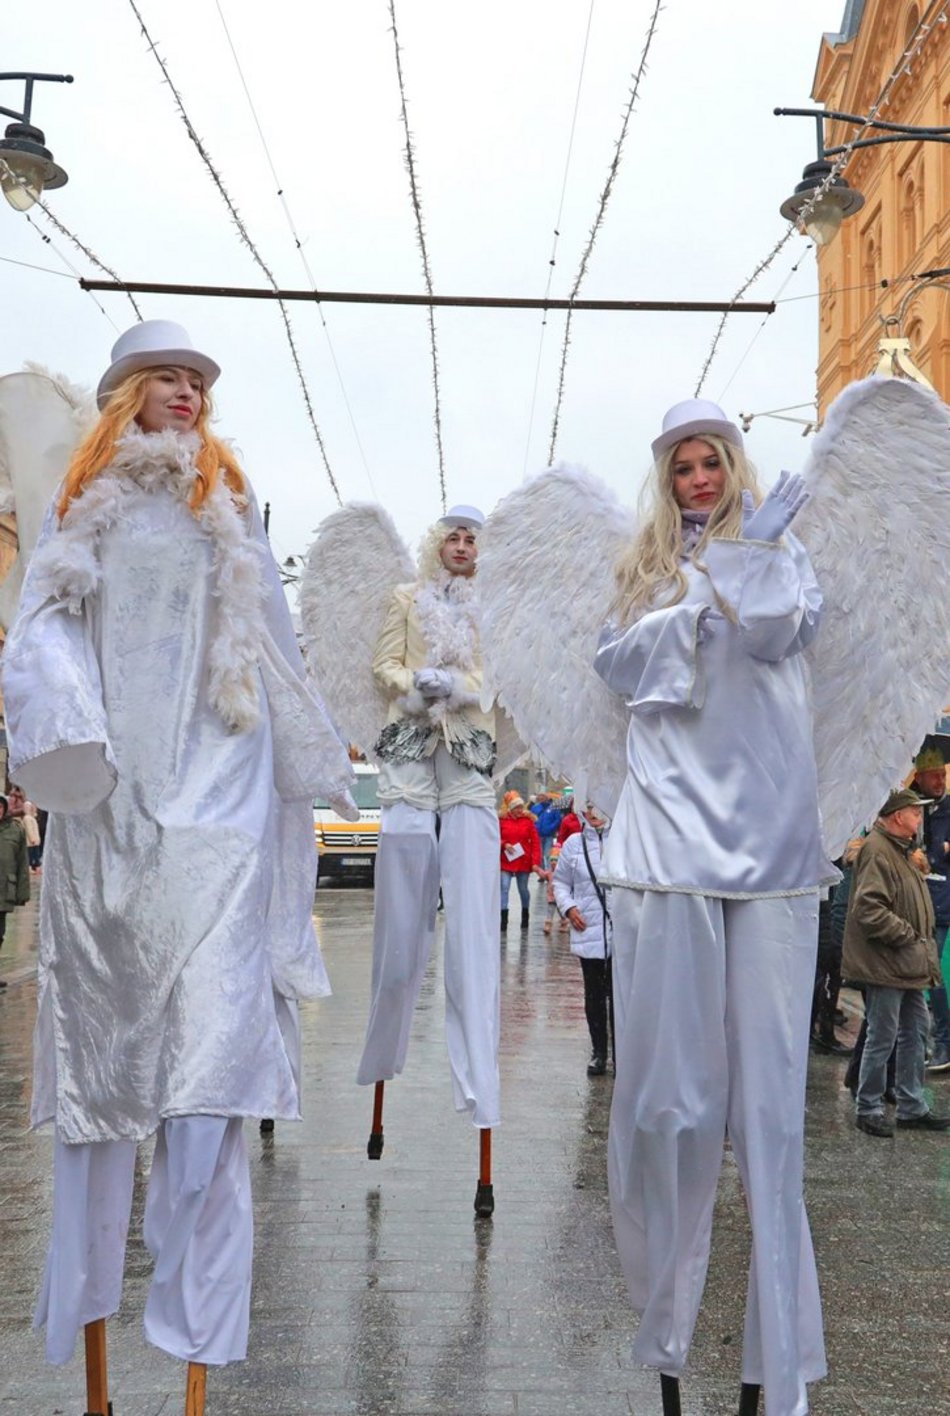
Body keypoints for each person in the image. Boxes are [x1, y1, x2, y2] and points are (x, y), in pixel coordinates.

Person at [1, 320, 355, 1409]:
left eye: (200, 380)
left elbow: (274, 650)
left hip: (226, 816)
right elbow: (41, 627)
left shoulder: (232, 508)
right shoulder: (79, 502)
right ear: (127, 395)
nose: (189, 393)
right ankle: (100, 1363)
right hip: (114, 815)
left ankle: (198, 1359)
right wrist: (70, 741)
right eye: (169, 378)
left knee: (211, 1088)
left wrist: (312, 758)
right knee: (103, 1087)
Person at [593, 399, 835, 1416]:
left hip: (772, 847)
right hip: (667, 848)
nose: (698, 479)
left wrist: (753, 560)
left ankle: (773, 1370)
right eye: (682, 466)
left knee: (771, 1118)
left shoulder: (784, 555)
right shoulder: (641, 574)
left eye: (711, 462)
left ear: (735, 466)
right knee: (670, 1106)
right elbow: (624, 671)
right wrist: (700, 586)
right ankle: (664, 1347)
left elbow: (782, 636)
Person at [355, 504, 502, 1213]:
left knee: (473, 917)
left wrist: (465, 687)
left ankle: (480, 1091)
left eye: (473, 537)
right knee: (402, 902)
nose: (463, 545)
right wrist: (413, 685)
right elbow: (382, 661)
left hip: (469, 752)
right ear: (436, 543)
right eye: (454, 535)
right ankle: (383, 1054)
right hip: (412, 748)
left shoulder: (494, 607)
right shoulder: (404, 600)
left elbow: (503, 676)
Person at [841, 788, 949, 1137]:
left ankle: (911, 1105)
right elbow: (870, 909)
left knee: (915, 1032)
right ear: (897, 816)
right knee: (882, 1035)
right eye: (914, 813)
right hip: (888, 962)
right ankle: (869, 1107)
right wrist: (909, 936)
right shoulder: (878, 850)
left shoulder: (902, 851)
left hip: (907, 963)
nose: (920, 819)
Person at [553, 804, 612, 1075]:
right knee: (594, 995)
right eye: (589, 805)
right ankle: (599, 1051)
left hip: (620, 931)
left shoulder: (625, 838)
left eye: (599, 805)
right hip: (587, 929)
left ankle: (624, 1053)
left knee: (622, 997)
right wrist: (569, 907)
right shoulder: (574, 844)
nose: (594, 811)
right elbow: (561, 882)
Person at [910, 735, 950, 1073]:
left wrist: (937, 856)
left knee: (931, 975)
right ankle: (925, 1042)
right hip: (918, 903)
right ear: (919, 776)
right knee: (922, 975)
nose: (941, 780)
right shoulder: (914, 808)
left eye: (943, 774)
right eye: (934, 775)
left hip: (941, 904)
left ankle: (944, 1043)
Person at [499, 794, 544, 930]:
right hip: (505, 860)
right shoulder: (502, 821)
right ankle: (503, 919)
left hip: (523, 861)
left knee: (523, 889)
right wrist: (504, 844)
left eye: (521, 807)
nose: (519, 810)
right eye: (516, 807)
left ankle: (525, 914)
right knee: (504, 887)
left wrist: (535, 862)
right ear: (511, 809)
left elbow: (536, 843)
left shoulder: (528, 821)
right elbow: (493, 838)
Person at [0, 792, 30, 988]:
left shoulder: (15, 830)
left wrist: (22, 893)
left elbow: (22, 863)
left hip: (3, 890)